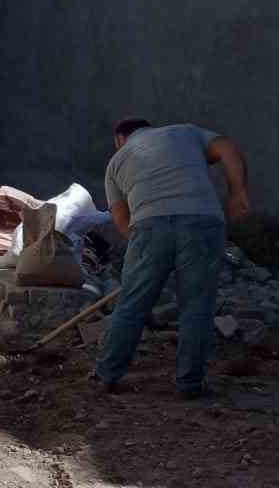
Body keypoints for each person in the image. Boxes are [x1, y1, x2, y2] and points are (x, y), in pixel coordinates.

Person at [94, 118, 250, 400]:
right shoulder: (184, 133)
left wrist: (145, 252)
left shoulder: (116, 162)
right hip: (201, 222)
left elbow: (121, 219)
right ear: (150, 129)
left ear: (120, 140)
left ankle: (108, 375)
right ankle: (189, 385)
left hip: (148, 227)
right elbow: (226, 148)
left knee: (131, 305)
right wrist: (237, 193)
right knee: (196, 306)